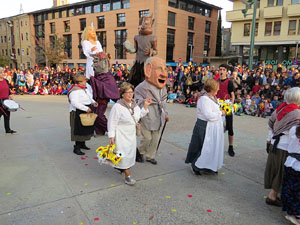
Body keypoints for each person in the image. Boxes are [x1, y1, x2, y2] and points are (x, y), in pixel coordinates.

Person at [108, 82, 151, 185]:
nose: (130, 94)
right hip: (121, 134)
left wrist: (145, 106)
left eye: (131, 92)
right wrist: (111, 136)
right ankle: (127, 175)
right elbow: (112, 122)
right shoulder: (117, 107)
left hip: (131, 134)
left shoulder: (134, 105)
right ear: (122, 94)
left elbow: (138, 116)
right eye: (127, 92)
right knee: (124, 153)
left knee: (129, 154)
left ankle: (120, 167)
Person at [265, 87, 300, 207]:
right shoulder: (296, 113)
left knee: (275, 170)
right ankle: (272, 196)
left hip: (275, 143)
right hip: (286, 147)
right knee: (281, 172)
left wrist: (269, 140)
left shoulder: (280, 108)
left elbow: (270, 125)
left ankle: (272, 195)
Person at [185, 79, 225, 175]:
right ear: (211, 89)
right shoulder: (204, 99)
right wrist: (220, 113)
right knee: (203, 146)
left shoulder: (212, 97)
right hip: (204, 125)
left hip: (212, 126)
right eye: (216, 88)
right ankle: (196, 165)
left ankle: (209, 165)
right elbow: (208, 115)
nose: (218, 90)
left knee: (211, 147)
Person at [135, 57, 169, 165]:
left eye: (165, 69)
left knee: (155, 138)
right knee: (147, 138)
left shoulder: (163, 88)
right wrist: (144, 102)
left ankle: (150, 155)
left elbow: (163, 103)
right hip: (146, 116)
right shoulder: (141, 87)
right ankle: (140, 151)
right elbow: (136, 101)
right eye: (160, 69)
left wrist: (165, 114)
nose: (164, 73)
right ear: (148, 70)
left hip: (158, 116)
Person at [68, 74, 98, 155]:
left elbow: (89, 97)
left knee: (85, 128)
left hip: (85, 110)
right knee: (78, 129)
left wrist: (93, 102)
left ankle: (82, 144)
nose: (86, 81)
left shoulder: (84, 89)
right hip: (78, 111)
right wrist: (85, 108)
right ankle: (77, 147)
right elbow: (74, 103)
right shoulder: (74, 91)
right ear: (80, 82)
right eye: (84, 80)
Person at [281, 125, 300, 224]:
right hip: (297, 165)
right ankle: (296, 215)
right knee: (297, 192)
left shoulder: (293, 129)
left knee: (289, 187)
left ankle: (290, 211)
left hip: (290, 163)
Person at [216, 64, 236, 157]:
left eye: (223, 69)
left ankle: (230, 146)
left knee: (230, 128)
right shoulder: (216, 82)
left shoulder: (229, 82)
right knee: (217, 127)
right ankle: (216, 146)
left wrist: (230, 105)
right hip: (217, 107)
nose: (221, 71)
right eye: (220, 69)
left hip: (227, 107)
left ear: (226, 72)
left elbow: (232, 95)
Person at [0, 67, 16, 134]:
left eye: (3, 72)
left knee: (7, 116)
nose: (2, 74)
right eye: (1, 73)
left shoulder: (5, 80)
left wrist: (10, 95)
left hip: (6, 100)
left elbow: (8, 90)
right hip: (0, 101)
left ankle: (8, 129)